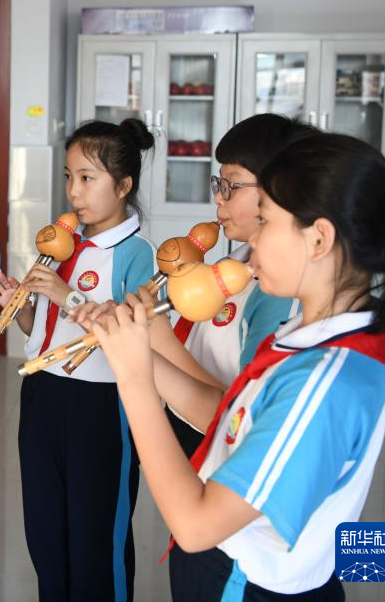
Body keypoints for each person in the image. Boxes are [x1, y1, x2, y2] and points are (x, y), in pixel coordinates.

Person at [89, 133, 385, 600]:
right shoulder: (312, 335)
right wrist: (137, 349)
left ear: (319, 239)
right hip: (228, 564)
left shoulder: (324, 380)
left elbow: (195, 525)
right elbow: (229, 418)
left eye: (265, 220)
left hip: (245, 582)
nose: (253, 238)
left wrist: (135, 381)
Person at [0, 119, 156, 601]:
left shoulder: (136, 254)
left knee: (96, 541)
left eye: (87, 178)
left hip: (100, 404)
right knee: (47, 534)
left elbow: (134, 338)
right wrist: (18, 307)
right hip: (42, 394)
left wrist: (66, 295)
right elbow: (42, 332)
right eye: (68, 176)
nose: (73, 191)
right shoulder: (62, 245)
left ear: (123, 186)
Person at [130, 115, 315, 455]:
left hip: (219, 448)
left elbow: (243, 415)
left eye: (232, 186)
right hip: (188, 429)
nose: (218, 198)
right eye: (219, 183)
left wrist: (159, 342)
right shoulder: (235, 262)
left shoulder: (278, 294)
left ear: (280, 192)